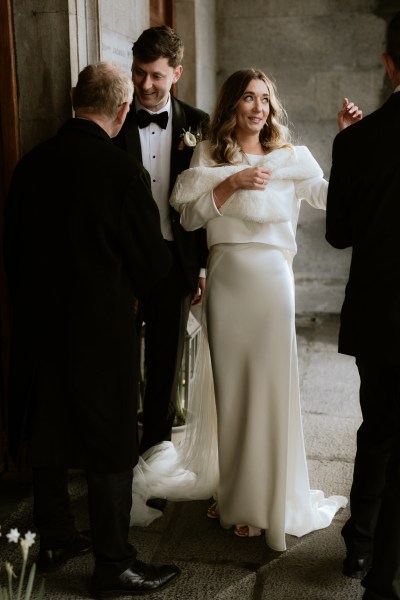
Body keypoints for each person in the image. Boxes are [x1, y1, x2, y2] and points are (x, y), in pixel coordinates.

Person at [4, 61, 180, 597]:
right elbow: (153, 269)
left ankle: (55, 535)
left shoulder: (28, 167)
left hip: (37, 330)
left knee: (48, 432)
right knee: (108, 448)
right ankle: (113, 565)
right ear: (123, 111)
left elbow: (12, 252)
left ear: (75, 100)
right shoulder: (123, 175)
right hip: (101, 336)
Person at [166, 68, 362, 550]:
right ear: (232, 105)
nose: (259, 108)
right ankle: (236, 494)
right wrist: (233, 183)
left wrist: (350, 144)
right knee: (232, 393)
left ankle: (268, 497)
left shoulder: (290, 158)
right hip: (227, 278)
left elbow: (327, 197)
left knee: (272, 391)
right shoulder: (211, 153)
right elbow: (188, 215)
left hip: (273, 281)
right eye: (249, 99)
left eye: (266, 100)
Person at [325, 11, 400, 600]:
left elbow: (339, 235)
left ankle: (364, 545)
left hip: (380, 312)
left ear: (389, 62)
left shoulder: (358, 140)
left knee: (380, 427)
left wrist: (350, 147)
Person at [114, 25, 209, 458]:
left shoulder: (199, 125)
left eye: (155, 75)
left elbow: (209, 201)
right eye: (138, 73)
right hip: (122, 264)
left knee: (165, 365)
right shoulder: (113, 120)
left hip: (175, 262)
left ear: (177, 73)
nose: (144, 85)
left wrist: (203, 267)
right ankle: (115, 459)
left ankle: (155, 457)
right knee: (118, 363)